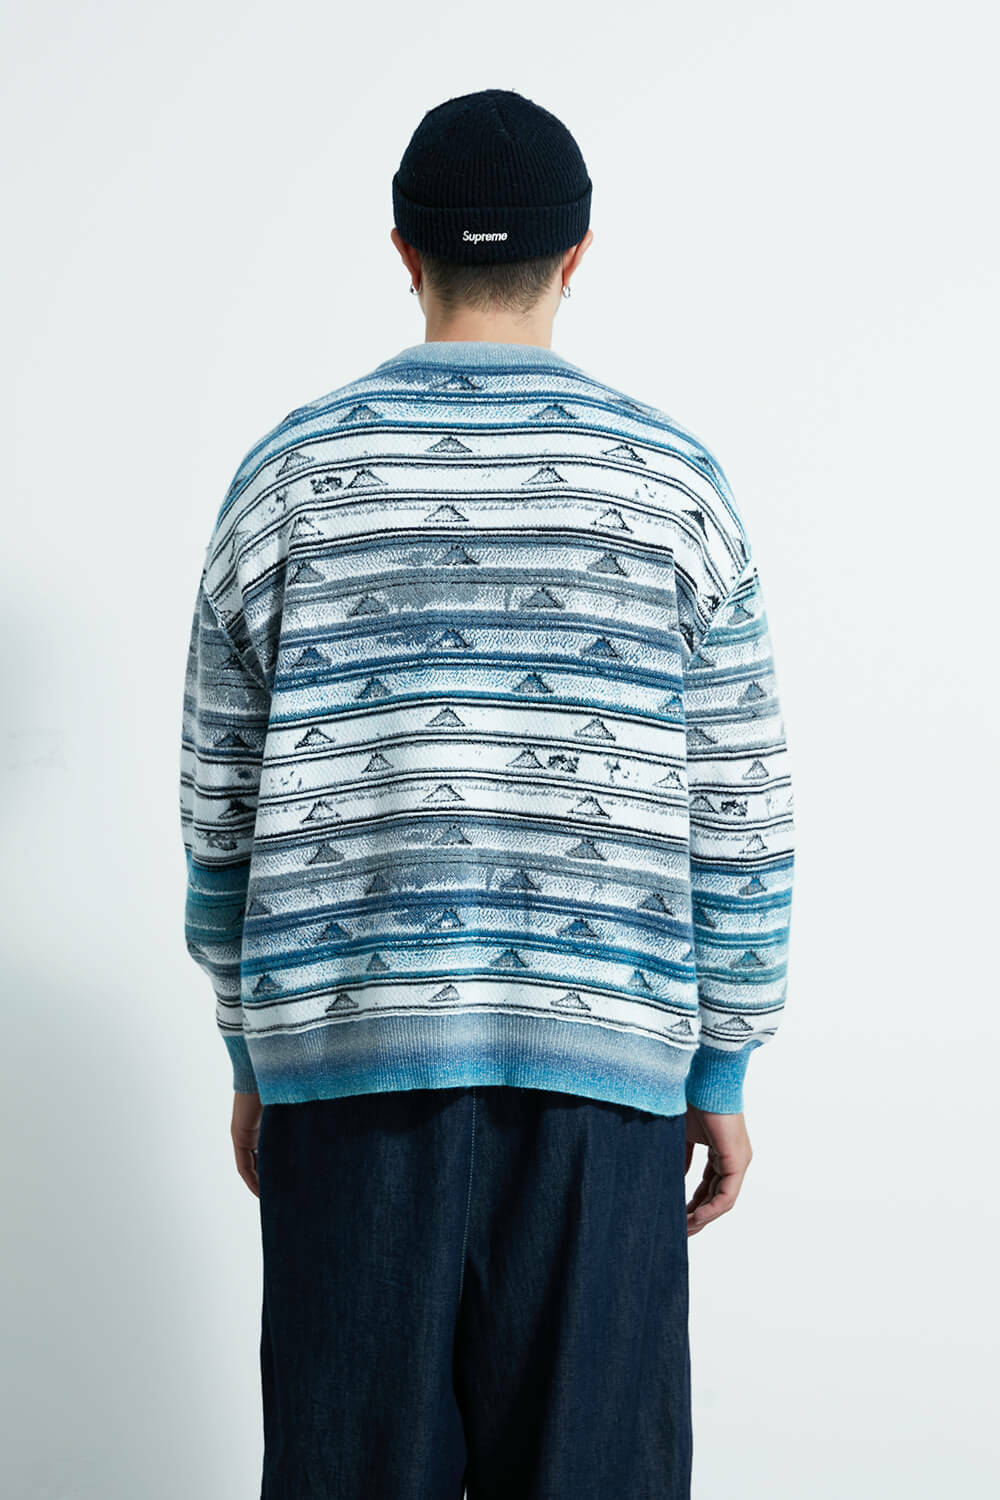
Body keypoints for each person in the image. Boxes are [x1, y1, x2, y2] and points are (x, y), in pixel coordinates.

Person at [179, 86, 795, 1500]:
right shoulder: (672, 485)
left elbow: (219, 807)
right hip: (605, 1087)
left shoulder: (289, 476)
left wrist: (251, 1051)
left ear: (402, 252)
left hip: (348, 1074)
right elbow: (743, 811)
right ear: (579, 255)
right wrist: (723, 1064)